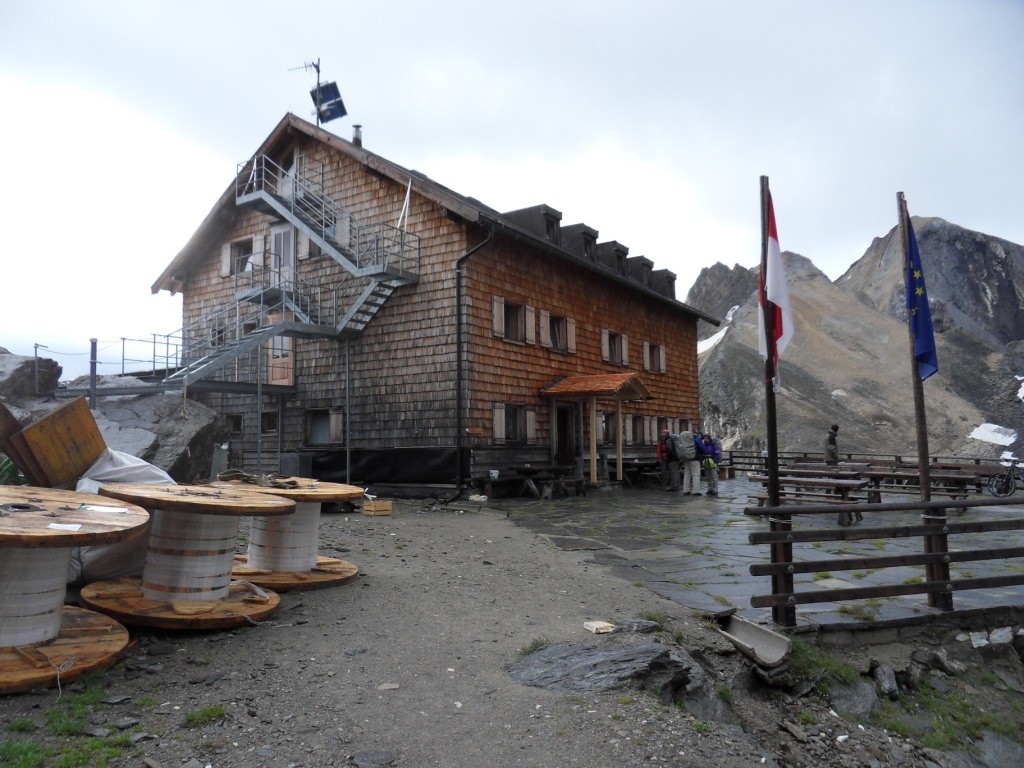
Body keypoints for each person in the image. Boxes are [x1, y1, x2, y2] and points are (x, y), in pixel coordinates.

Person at [678, 427, 702, 495]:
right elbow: (702, 447)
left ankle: (686, 490)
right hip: (695, 459)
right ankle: (696, 491)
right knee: (696, 475)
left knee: (687, 475)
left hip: (686, 459)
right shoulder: (696, 439)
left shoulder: (683, 440)